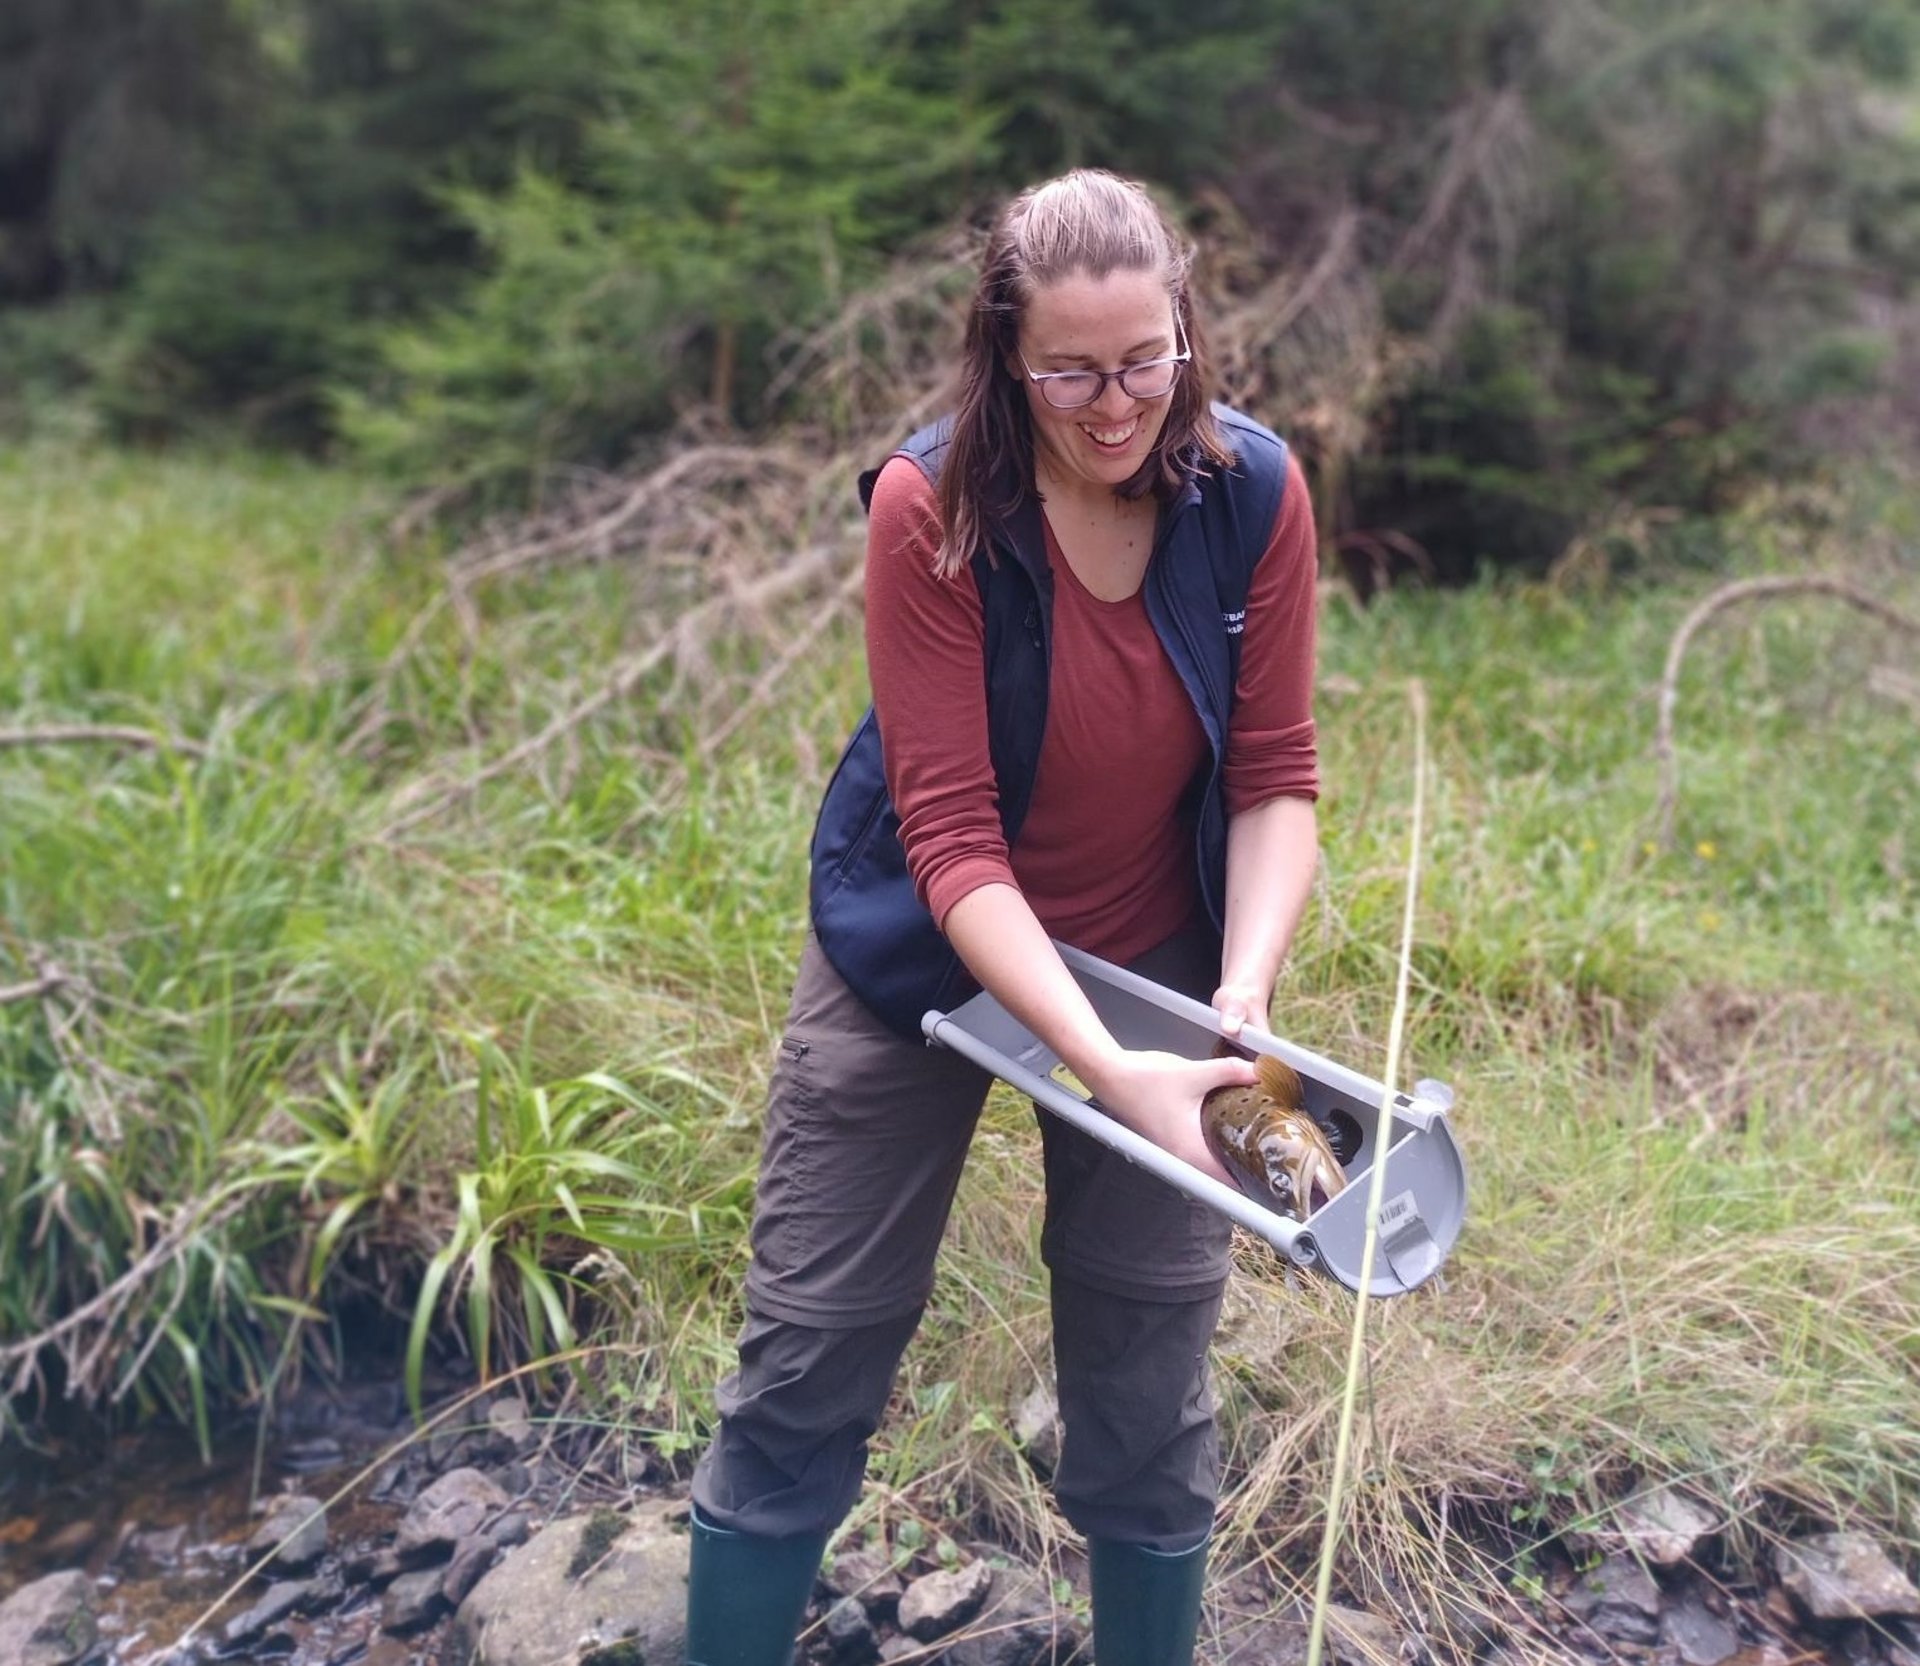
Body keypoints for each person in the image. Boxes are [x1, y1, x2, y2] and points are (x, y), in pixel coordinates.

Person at [684, 168, 1321, 1666]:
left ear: (1187, 330)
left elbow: (1280, 777)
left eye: (1145, 360)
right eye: (1072, 372)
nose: (1116, 406)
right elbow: (954, 839)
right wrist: (1102, 1067)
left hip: (1160, 957)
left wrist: (1236, 996)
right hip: (920, 951)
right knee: (813, 1344)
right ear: (1004, 356)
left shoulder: (1255, 494)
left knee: (1151, 1370)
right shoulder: (935, 505)